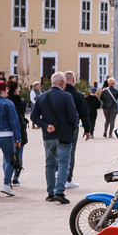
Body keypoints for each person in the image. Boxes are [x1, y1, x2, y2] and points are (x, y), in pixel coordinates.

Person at [29, 72, 79, 205]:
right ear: (62, 82)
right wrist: (72, 129)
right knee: (63, 163)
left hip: (48, 135)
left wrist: (46, 125)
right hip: (63, 135)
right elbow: (74, 116)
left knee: (50, 164)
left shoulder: (41, 97)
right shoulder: (66, 96)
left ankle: (50, 192)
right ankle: (59, 192)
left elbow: (33, 117)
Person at [62, 71, 90, 190]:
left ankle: (57, 177)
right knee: (70, 152)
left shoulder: (58, 94)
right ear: (73, 80)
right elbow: (84, 113)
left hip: (56, 127)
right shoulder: (78, 95)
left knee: (57, 151)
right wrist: (87, 129)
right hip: (72, 127)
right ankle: (68, 179)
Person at [5, 80, 28, 186]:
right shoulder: (21, 101)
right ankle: (16, 178)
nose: (19, 90)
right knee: (19, 154)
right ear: (15, 90)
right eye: (18, 88)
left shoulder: (5, 101)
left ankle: (7, 178)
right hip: (20, 130)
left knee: (6, 157)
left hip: (7, 130)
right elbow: (22, 115)